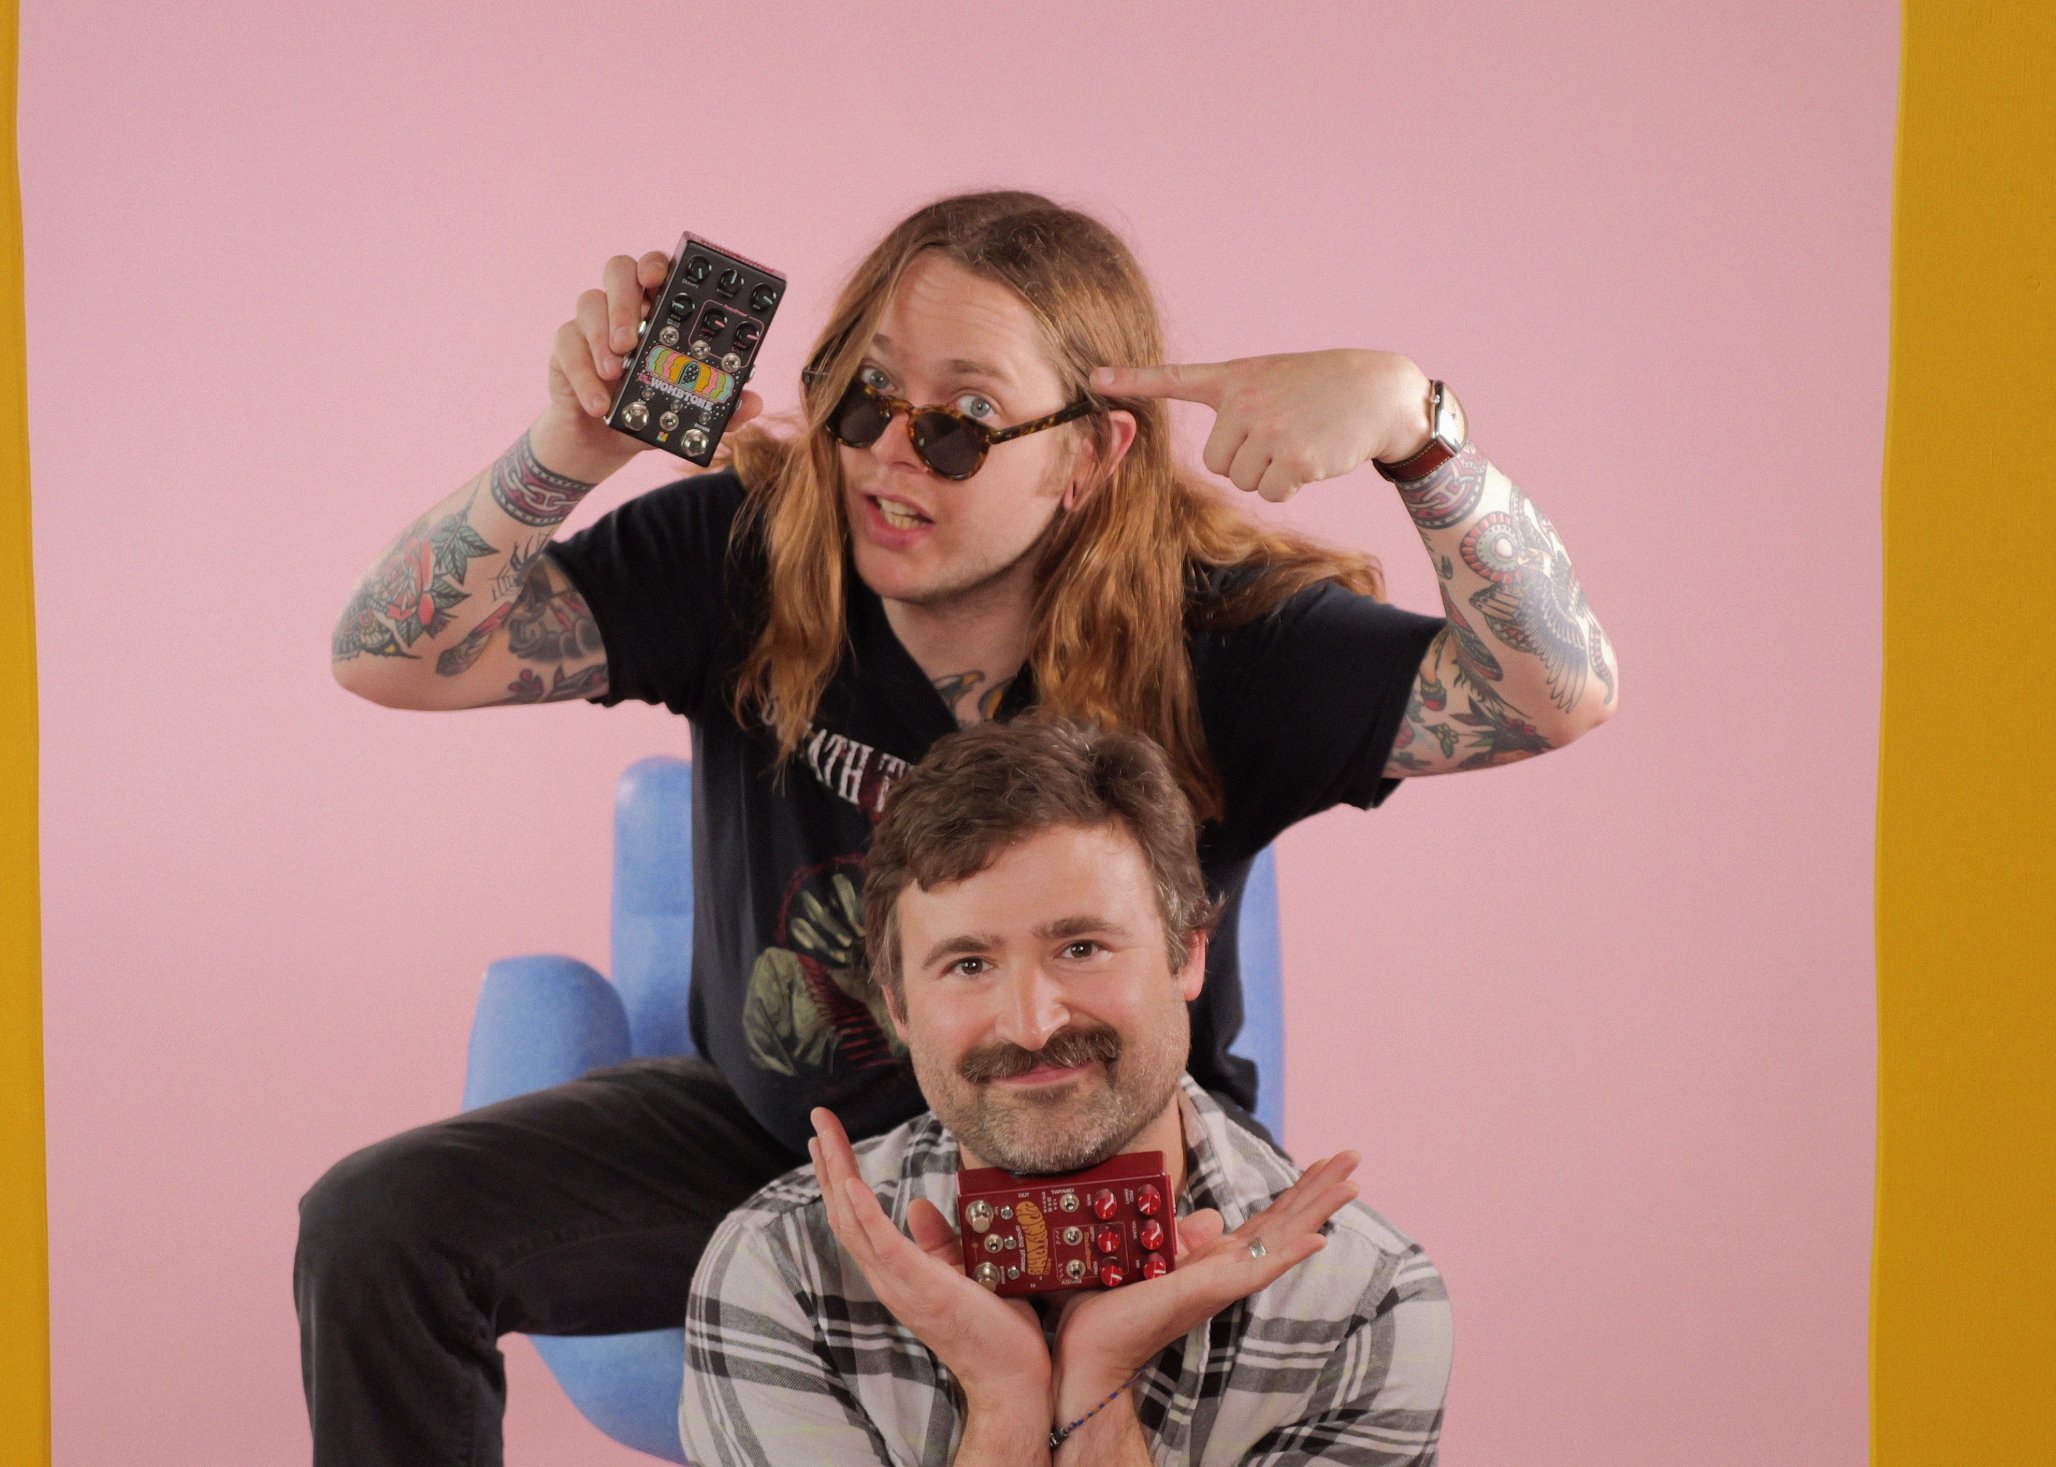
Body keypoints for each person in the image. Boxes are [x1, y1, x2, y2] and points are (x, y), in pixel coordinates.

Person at [303, 190, 1609, 1464]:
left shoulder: (1220, 632)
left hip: (1096, 1149)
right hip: (776, 1143)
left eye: (963, 425)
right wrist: (566, 452)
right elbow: (387, 653)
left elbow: (1554, 694)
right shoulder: (754, 549)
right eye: (865, 396)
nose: (888, 453)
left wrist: (1421, 434)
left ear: (1088, 456)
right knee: (379, 1227)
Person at [682, 716, 1451, 1466]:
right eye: (969, 964)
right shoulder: (779, 1274)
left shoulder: (1364, 1304)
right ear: (898, 1003)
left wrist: (1100, 1390)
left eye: (1081, 947)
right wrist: (1006, 1402)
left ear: (1189, 955)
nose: (1031, 1025)